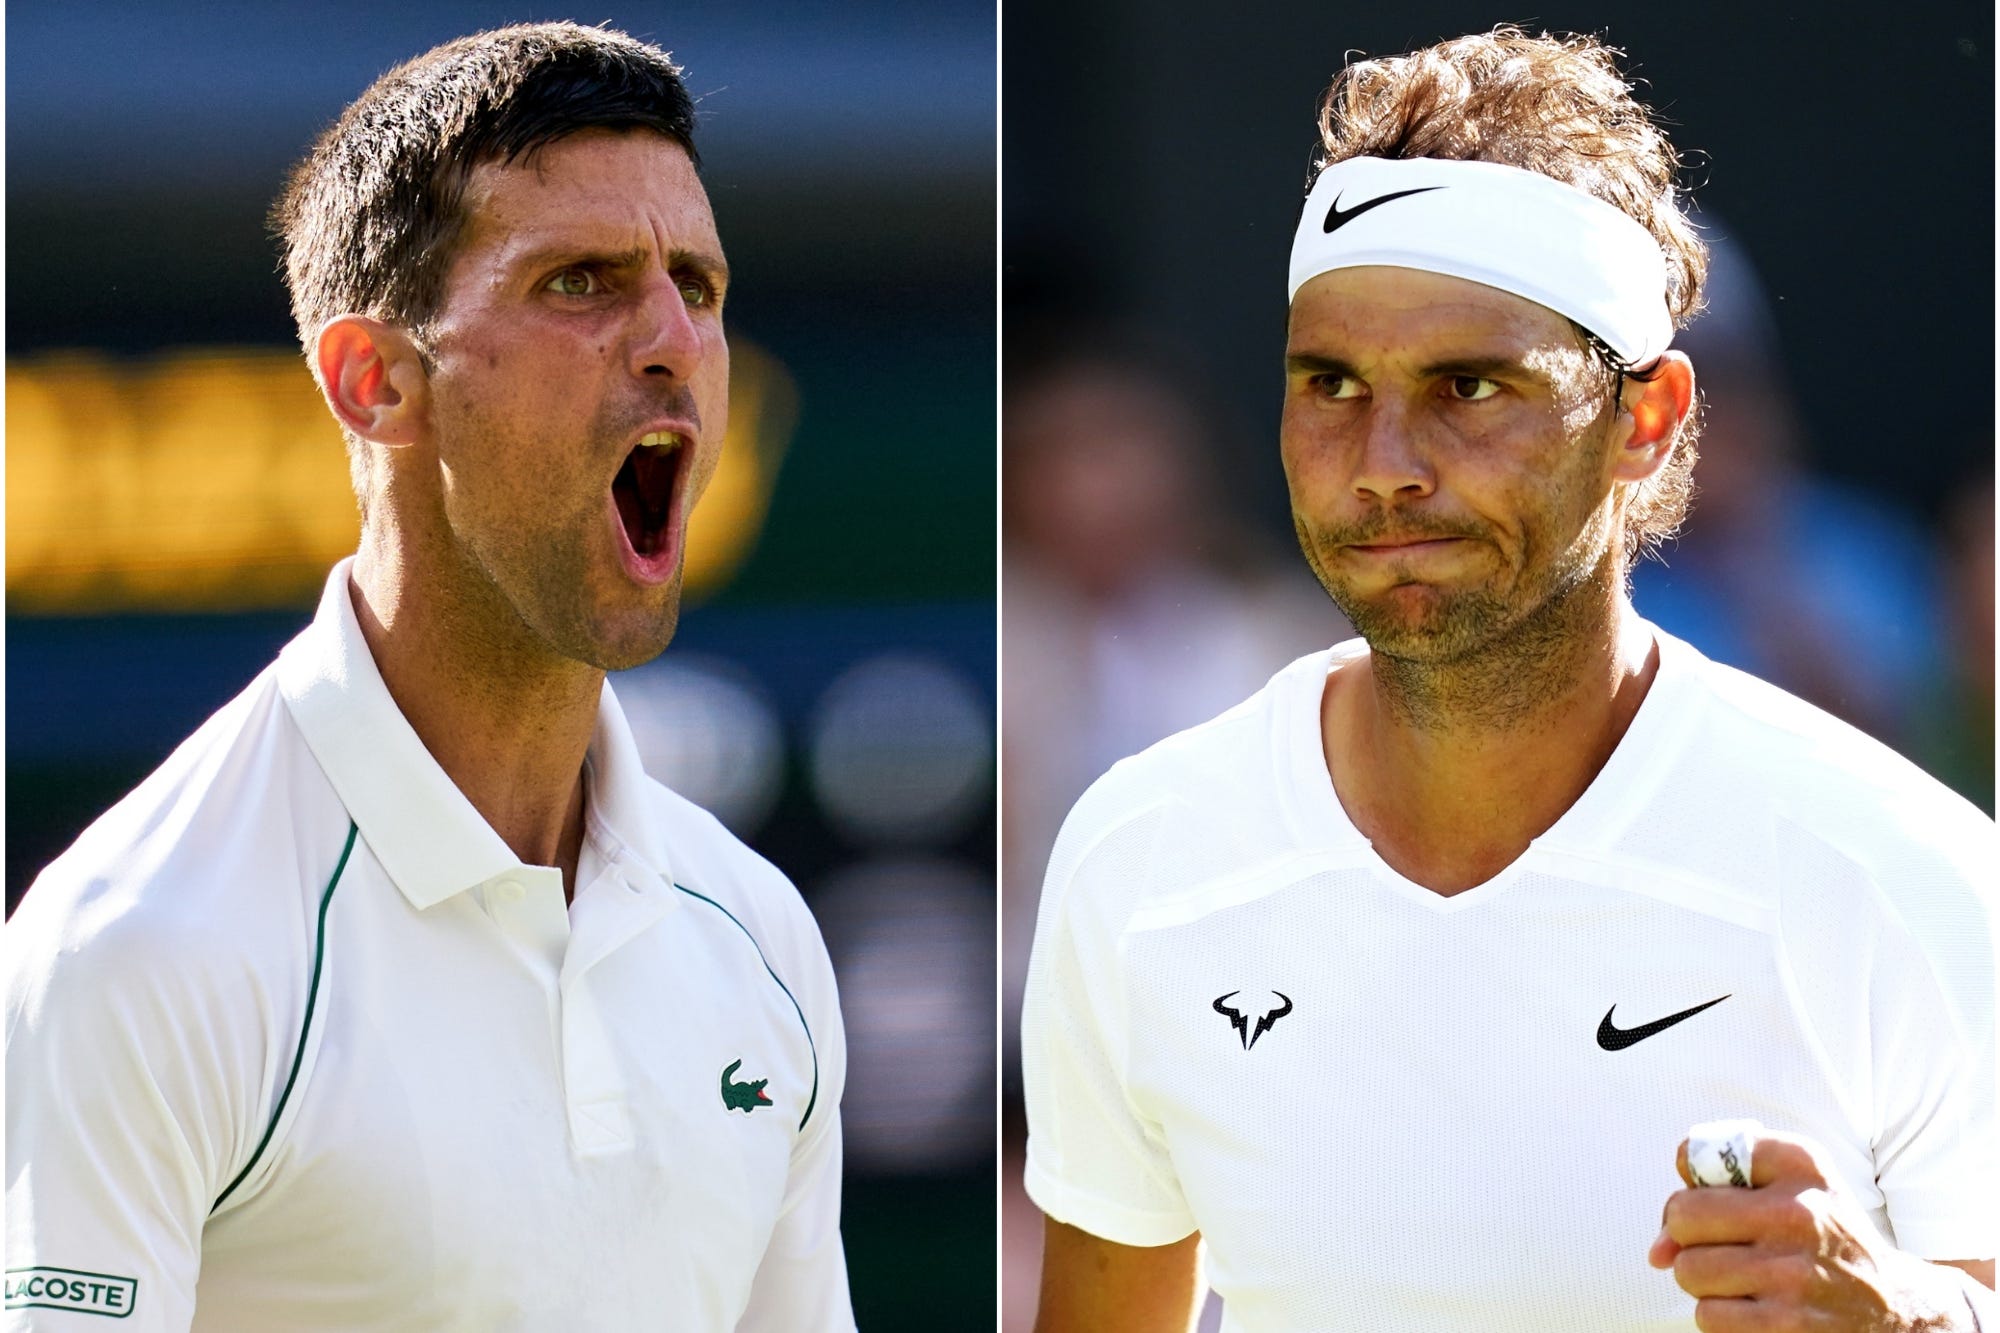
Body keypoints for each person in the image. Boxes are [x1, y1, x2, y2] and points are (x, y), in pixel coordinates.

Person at [1020, 28, 1995, 1333]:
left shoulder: (1909, 872)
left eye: (1467, 386)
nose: (1383, 463)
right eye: (1331, 385)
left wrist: (1911, 1315)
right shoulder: (1140, 861)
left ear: (1643, 422)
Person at [5, 24, 851, 1331]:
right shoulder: (133, 948)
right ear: (374, 383)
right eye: (582, 281)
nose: (675, 338)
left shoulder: (765, 939)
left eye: (699, 281)